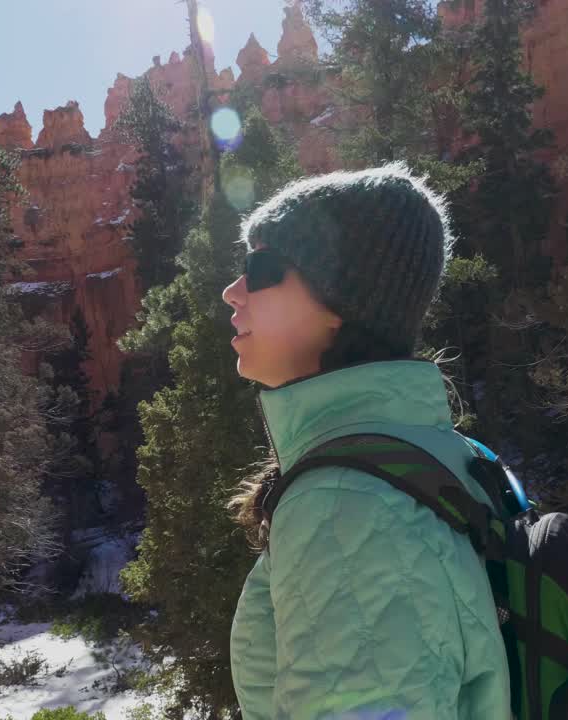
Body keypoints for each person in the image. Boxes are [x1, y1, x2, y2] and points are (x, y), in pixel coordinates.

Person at [222, 163, 512, 720]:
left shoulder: (345, 504)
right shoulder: (448, 456)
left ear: (339, 300)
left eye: (260, 268)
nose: (233, 291)